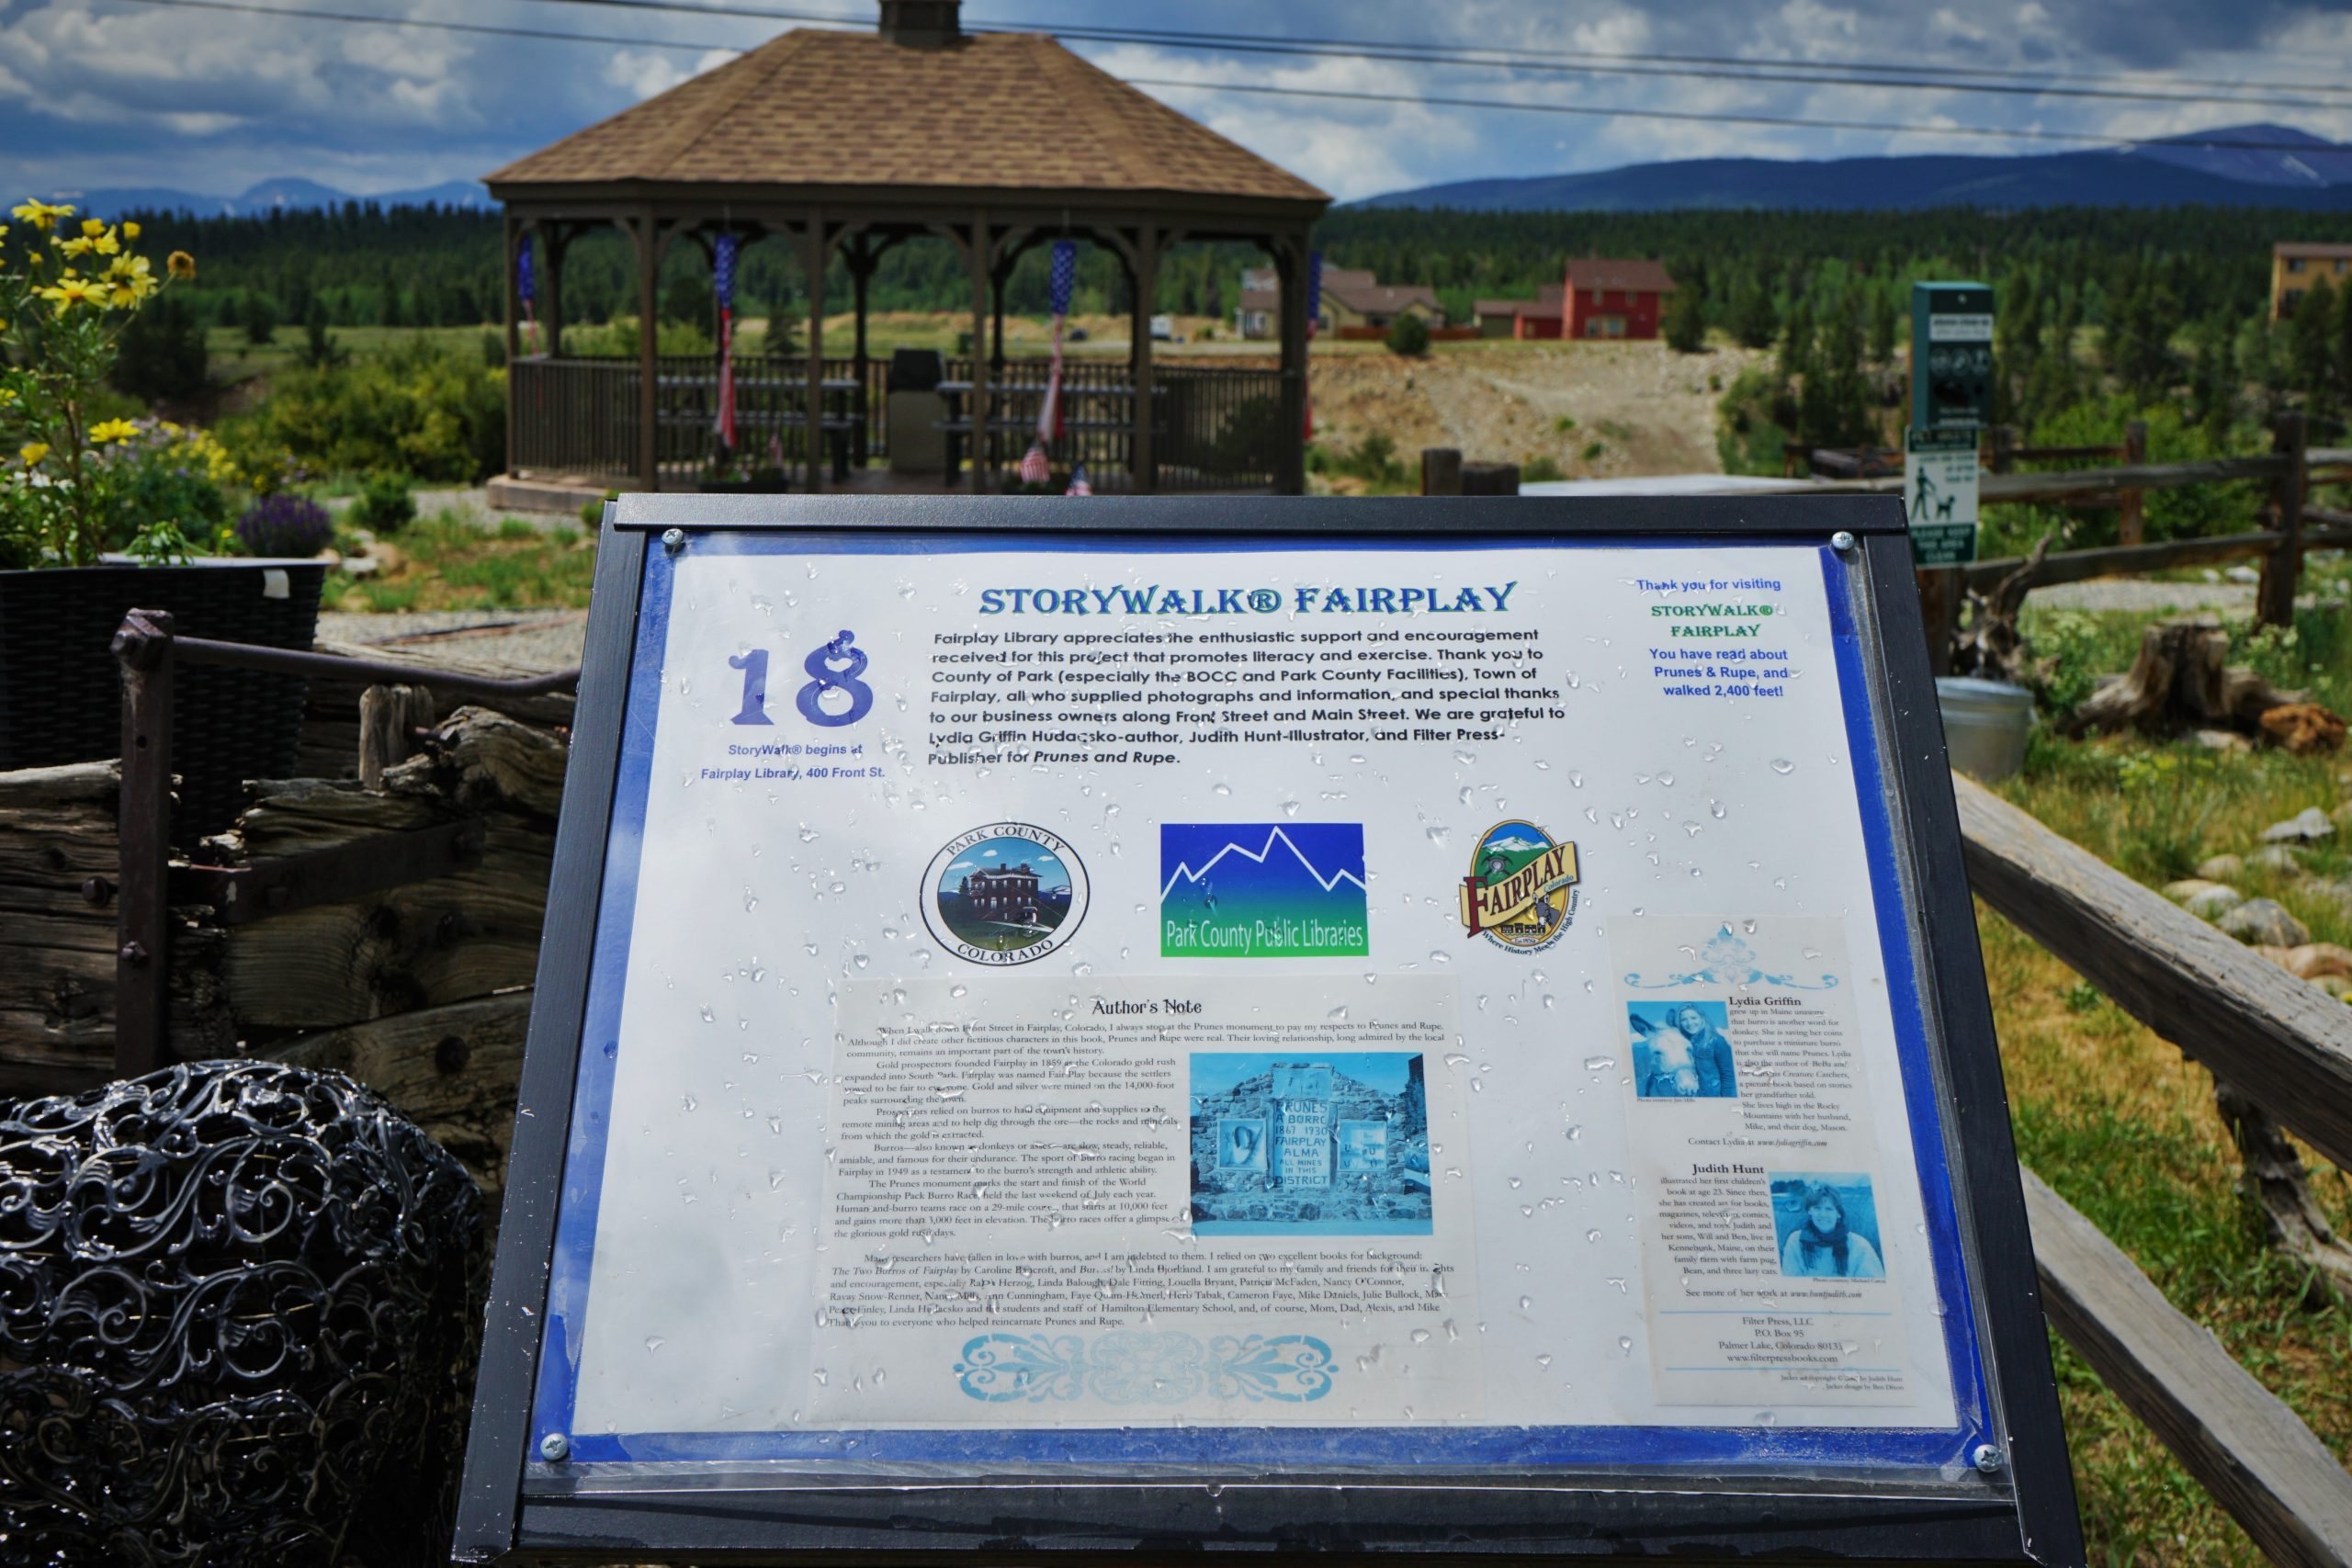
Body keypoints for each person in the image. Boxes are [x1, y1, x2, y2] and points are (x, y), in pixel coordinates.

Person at [1781, 1184, 1884, 1279]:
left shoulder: (1859, 1245)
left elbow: (1873, 1284)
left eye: (1829, 1209)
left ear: (1838, 1213)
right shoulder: (1795, 1241)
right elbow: (1791, 1280)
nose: (1823, 1214)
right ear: (1809, 1211)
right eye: (1817, 1208)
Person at [1673, 1004, 1737, 1098]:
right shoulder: (1684, 1044)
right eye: (1684, 1020)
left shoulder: (1717, 1041)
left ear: (1702, 1018)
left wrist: (1726, 1101)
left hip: (1714, 1096)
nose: (1689, 1023)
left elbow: (1729, 1076)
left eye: (1693, 1018)